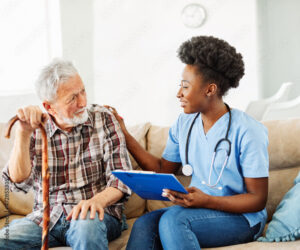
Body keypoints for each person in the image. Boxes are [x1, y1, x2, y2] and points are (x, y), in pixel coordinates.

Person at [108, 36, 269, 249]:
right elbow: (162, 169)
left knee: (174, 221)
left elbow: (257, 199)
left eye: (185, 86)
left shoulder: (248, 131)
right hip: (198, 210)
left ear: (210, 90)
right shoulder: (184, 124)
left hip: (243, 218)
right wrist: (126, 136)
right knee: (145, 223)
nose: (179, 93)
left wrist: (208, 201)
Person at [0, 59, 132, 250]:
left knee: (86, 227)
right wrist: (23, 133)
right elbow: (17, 183)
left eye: (83, 91)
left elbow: (122, 180)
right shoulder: (37, 128)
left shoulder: (103, 119)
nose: (83, 102)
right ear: (49, 107)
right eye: (72, 98)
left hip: (95, 215)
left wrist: (95, 202)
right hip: (46, 219)